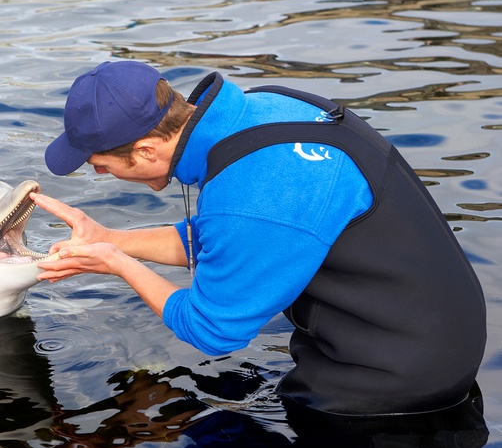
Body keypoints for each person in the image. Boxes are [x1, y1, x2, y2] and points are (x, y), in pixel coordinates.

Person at [33, 60, 487, 416]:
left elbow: (211, 330)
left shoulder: (250, 190)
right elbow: (241, 235)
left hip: (393, 381)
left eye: (100, 165)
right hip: (435, 333)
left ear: (147, 150)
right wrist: (110, 236)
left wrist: (117, 262)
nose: (99, 175)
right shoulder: (268, 107)